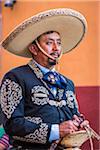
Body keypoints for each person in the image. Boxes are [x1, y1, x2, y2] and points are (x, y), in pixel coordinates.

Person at [0, 8, 89, 150]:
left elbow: (73, 115)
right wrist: (56, 130)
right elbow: (12, 124)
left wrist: (79, 122)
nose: (56, 49)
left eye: (59, 43)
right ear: (34, 49)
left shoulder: (68, 83)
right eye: (49, 43)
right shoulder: (15, 77)